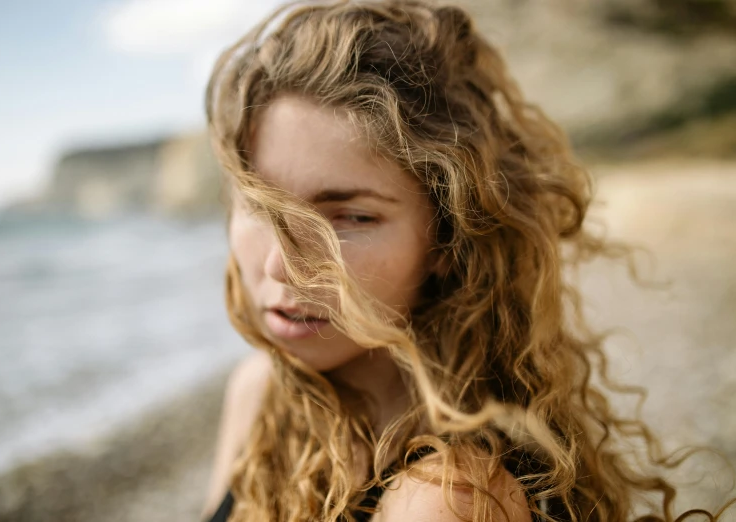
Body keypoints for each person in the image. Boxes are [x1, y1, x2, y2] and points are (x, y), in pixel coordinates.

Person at [200, 1, 733, 521]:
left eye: (350, 218)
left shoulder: (446, 499)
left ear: (447, 241)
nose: (280, 265)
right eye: (259, 204)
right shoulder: (260, 392)